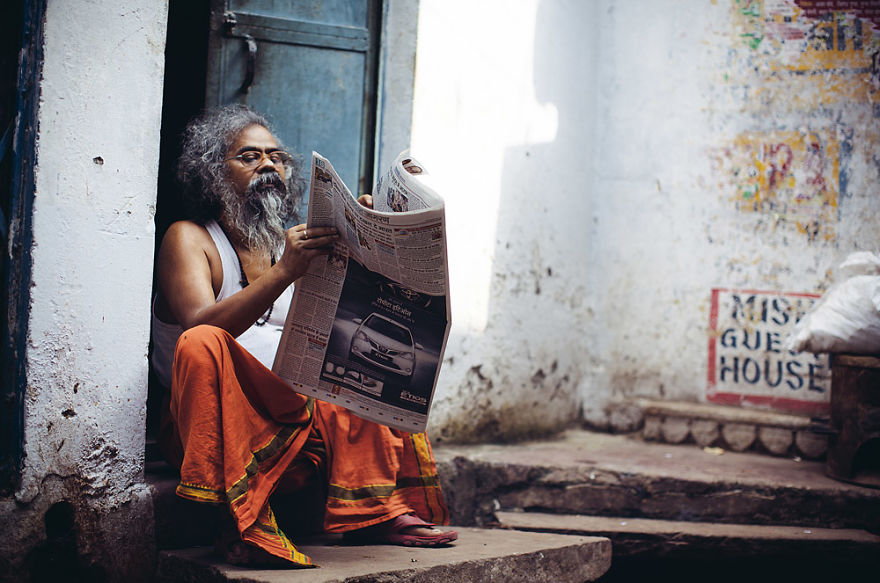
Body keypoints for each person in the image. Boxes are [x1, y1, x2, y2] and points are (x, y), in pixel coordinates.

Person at [151, 104, 456, 567]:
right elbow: (200, 325)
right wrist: (286, 272)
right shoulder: (189, 238)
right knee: (202, 342)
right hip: (220, 431)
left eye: (277, 157)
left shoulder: (288, 242)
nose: (268, 165)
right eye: (250, 156)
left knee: (356, 345)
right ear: (212, 173)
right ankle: (235, 518)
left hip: (299, 429)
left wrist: (369, 238)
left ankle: (374, 511)